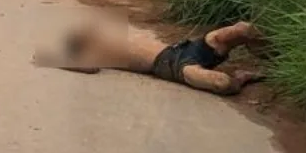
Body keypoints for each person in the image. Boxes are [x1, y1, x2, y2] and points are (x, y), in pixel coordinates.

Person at [34, 19, 266, 96]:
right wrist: (52, 58)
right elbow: (89, 67)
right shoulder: (97, 53)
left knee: (243, 29)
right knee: (222, 83)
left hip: (185, 48)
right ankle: (242, 77)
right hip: (173, 66)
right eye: (82, 33)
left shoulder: (115, 34)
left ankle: (274, 51)